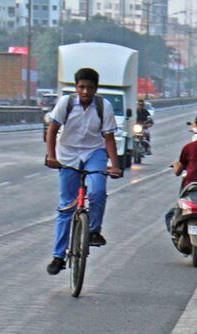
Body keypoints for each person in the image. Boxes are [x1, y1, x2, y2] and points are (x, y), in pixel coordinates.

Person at [43, 68, 123, 275]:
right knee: (66, 207)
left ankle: (94, 231)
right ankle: (58, 256)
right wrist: (51, 156)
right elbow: (52, 129)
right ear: (76, 87)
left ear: (96, 89)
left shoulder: (103, 106)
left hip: (94, 152)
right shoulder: (66, 103)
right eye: (81, 87)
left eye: (89, 88)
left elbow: (109, 138)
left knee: (97, 191)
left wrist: (115, 165)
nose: (85, 91)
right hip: (68, 154)